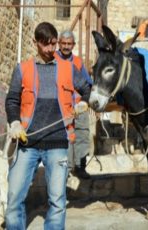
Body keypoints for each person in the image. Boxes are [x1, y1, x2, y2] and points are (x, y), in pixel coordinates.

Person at [5, 22, 91, 229]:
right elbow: (12, 100)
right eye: (46, 45)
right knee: (14, 196)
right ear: (35, 43)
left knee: (58, 200)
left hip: (58, 142)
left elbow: (88, 89)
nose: (51, 49)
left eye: (53, 44)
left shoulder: (68, 68)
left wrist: (83, 102)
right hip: (28, 143)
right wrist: (14, 122)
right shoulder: (22, 69)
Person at [56, 30, 93, 179]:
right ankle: (67, 169)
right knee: (65, 138)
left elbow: (87, 84)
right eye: (63, 43)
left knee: (82, 135)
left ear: (73, 45)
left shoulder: (78, 62)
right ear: (59, 43)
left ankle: (80, 167)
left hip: (79, 107)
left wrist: (85, 102)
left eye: (69, 44)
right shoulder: (53, 60)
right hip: (62, 107)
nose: (66, 46)